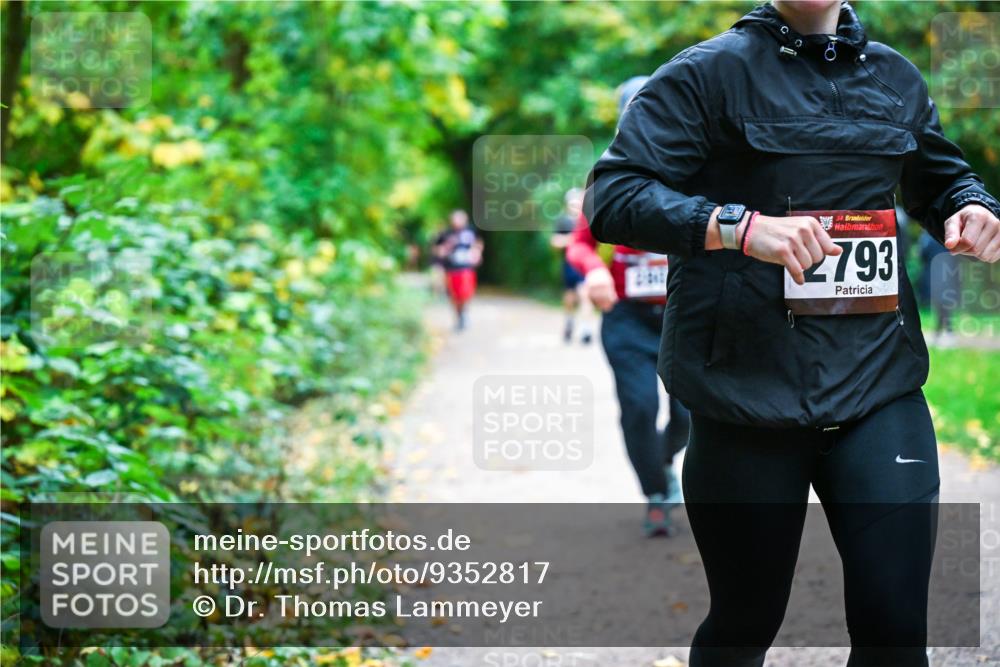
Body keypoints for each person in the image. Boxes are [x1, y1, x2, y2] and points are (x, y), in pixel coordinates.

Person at [586, 2, 1000, 666]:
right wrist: (738, 227)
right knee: (746, 620)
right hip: (745, 392)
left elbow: (941, 180)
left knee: (895, 627)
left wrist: (971, 206)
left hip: (878, 386)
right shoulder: (704, 74)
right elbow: (613, 197)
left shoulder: (895, 77)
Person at [568, 76, 690, 538]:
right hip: (627, 319)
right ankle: (656, 495)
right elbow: (580, 244)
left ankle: (663, 461)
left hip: (683, 316)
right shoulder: (608, 176)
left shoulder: (692, 169)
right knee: (639, 407)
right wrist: (594, 271)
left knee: (689, 416)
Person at [550, 188, 594, 344]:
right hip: (569, 264)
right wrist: (573, 239)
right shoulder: (563, 221)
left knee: (585, 293)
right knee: (570, 296)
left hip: (586, 264)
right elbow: (555, 242)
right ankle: (569, 321)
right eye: (573, 203)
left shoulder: (588, 220)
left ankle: (586, 328)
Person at [434, 210, 483, 331]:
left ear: (465, 220)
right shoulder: (446, 233)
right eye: (455, 219)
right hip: (451, 269)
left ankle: (464, 313)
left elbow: (478, 243)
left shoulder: (471, 231)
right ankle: (459, 316)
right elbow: (437, 249)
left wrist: (477, 253)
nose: (457, 221)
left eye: (460, 219)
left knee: (466, 293)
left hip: (466, 268)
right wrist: (445, 250)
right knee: (454, 296)